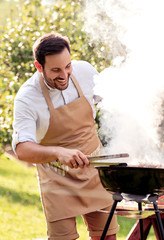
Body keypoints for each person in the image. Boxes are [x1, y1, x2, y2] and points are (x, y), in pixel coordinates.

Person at [11, 33, 119, 240]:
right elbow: (22, 148)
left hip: (94, 170)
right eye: (56, 70)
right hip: (57, 177)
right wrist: (58, 152)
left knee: (107, 236)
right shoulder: (27, 98)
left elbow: (113, 101)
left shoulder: (85, 72)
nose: (65, 75)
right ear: (39, 66)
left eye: (68, 66)